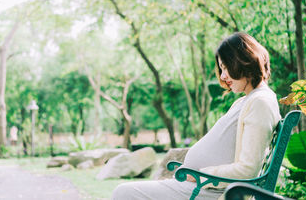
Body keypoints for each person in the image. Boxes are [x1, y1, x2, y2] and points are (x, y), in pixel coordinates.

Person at [112, 32, 281, 200]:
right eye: (221, 69)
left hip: (205, 190)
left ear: (243, 61)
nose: (222, 76)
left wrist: (201, 174)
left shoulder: (260, 102)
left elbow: (248, 169)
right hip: (196, 187)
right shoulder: (248, 100)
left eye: (225, 67)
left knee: (124, 193)